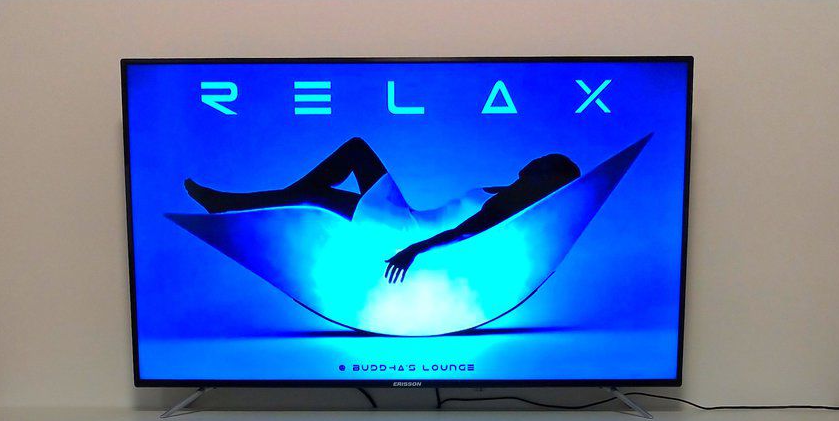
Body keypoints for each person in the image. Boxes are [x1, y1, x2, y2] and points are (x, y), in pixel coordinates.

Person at [183, 137, 580, 283]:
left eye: (546, 163)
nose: (536, 160)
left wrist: (413, 250)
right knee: (314, 194)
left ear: (547, 176)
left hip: (405, 230)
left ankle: (231, 204)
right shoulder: (511, 192)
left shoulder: (517, 200)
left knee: (351, 156)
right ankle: (233, 204)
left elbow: (470, 229)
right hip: (404, 221)